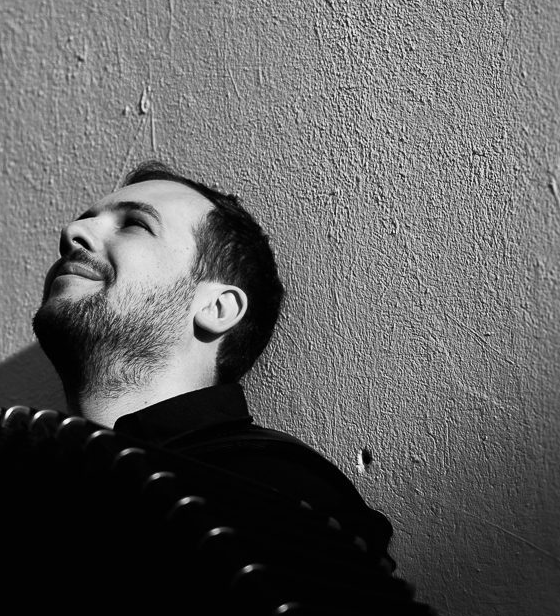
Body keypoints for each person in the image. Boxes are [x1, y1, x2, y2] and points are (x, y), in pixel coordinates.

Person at [32, 160, 395, 571]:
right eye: (84, 221)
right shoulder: (13, 480)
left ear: (216, 307)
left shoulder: (278, 491)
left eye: (135, 223)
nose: (72, 233)